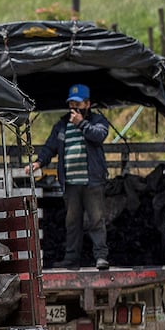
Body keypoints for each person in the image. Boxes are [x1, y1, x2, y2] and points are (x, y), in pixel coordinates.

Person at [28, 83, 113, 270]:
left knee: (96, 219)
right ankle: (72, 258)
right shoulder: (61, 125)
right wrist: (38, 162)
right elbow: (50, 146)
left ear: (87, 104)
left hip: (92, 181)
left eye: (78, 103)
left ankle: (100, 256)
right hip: (71, 184)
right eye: (71, 103)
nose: (74, 107)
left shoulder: (97, 120)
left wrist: (81, 123)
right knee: (72, 222)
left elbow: (99, 136)